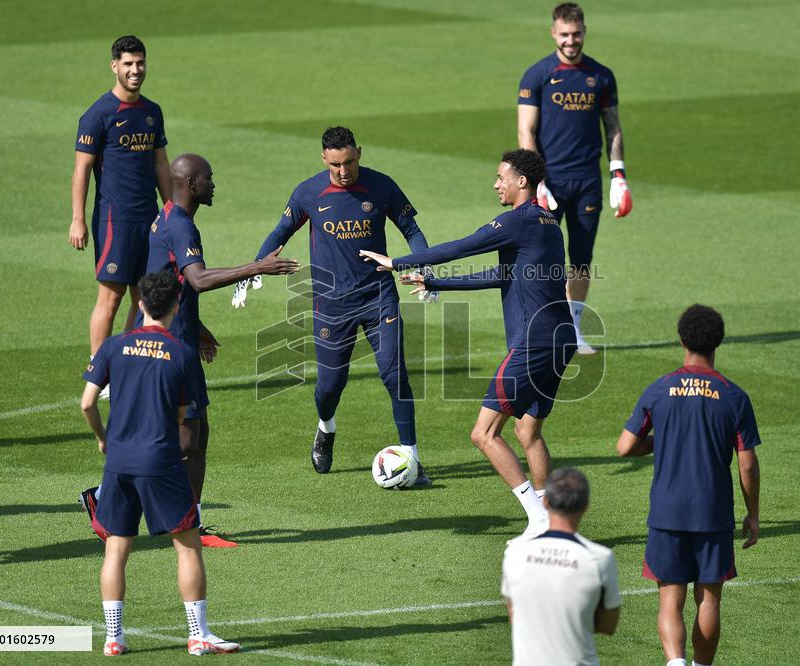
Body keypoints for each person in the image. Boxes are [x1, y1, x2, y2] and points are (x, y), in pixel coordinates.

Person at [81, 154, 301, 549]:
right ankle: (111, 497)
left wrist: (196, 326)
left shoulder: (164, 217)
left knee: (195, 437)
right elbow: (196, 279)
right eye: (209, 179)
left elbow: (164, 280)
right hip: (172, 347)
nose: (214, 185)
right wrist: (256, 268)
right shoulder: (181, 226)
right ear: (192, 184)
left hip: (177, 334)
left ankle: (186, 520)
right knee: (184, 440)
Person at [360, 148, 575, 540]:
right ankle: (554, 521)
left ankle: (539, 520)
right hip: (561, 340)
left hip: (533, 344)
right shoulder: (548, 222)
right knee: (528, 433)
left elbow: (463, 246)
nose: (496, 184)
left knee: (484, 433)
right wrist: (436, 282)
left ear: (521, 181)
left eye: (501, 177)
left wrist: (400, 262)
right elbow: (502, 273)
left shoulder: (518, 220)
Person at [234, 126, 435, 484]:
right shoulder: (308, 192)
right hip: (331, 304)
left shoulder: (381, 185)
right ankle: (326, 429)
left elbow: (411, 230)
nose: (344, 171)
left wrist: (424, 265)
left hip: (378, 297)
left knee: (395, 376)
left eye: (350, 162)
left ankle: (413, 460)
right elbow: (280, 234)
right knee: (330, 386)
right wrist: (252, 271)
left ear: (359, 152)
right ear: (324, 158)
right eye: (336, 165)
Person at [80, 271, 240, 656]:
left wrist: (103, 437)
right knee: (187, 547)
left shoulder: (114, 346)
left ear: (140, 305)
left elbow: (87, 402)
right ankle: (199, 634)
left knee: (117, 548)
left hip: (119, 462)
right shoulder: (183, 354)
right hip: (161, 460)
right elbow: (183, 419)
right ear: (175, 307)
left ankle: (114, 638)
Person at [616, 304, 761, 666]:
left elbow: (624, 446)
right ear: (718, 343)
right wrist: (753, 514)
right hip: (714, 513)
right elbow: (748, 463)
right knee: (709, 600)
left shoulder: (660, 389)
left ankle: (675, 663)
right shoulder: (734, 396)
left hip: (667, 510)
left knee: (670, 598)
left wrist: (662, 440)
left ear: (681, 339)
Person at [517, 3, 632, 354]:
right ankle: (537, 326)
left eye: (576, 34)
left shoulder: (601, 76)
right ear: (553, 33)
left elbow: (612, 126)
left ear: (584, 31)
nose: (571, 40)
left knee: (581, 257)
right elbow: (526, 130)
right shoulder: (537, 75)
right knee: (541, 256)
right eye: (564, 34)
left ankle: (573, 330)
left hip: (587, 182)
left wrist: (618, 174)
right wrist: (538, 182)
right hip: (550, 183)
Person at [69, 35, 172, 391]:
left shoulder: (151, 112)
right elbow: (82, 169)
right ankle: (100, 371)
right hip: (115, 219)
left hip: (150, 217)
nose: (135, 70)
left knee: (144, 296)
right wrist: (78, 219)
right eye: (128, 64)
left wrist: (171, 210)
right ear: (114, 66)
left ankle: (127, 363)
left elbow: (161, 165)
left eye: (140, 63)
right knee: (110, 296)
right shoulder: (99, 114)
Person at [502, 467, 620, 666]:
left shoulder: (515, 553)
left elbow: (515, 615)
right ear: (586, 506)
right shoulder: (600, 557)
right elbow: (609, 626)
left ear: (545, 502)